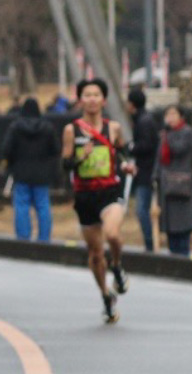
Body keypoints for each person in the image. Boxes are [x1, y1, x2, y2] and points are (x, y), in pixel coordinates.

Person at [62, 78, 135, 324]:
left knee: (112, 234)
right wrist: (82, 157)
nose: (92, 99)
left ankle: (117, 266)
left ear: (103, 100)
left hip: (109, 191)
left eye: (96, 95)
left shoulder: (112, 128)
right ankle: (106, 296)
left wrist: (127, 165)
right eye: (87, 94)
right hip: (85, 196)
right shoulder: (71, 130)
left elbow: (123, 152)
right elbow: (65, 164)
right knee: (94, 255)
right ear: (81, 99)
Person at [1, 98, 60, 242]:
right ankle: (44, 238)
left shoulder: (15, 127)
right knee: (43, 205)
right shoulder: (48, 127)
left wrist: (11, 163)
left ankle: (23, 237)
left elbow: (6, 149)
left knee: (21, 205)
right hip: (42, 173)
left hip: (21, 172)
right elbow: (56, 149)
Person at [153, 106, 192, 257]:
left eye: (173, 114)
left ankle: (183, 255)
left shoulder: (187, 133)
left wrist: (167, 136)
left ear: (181, 116)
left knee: (183, 224)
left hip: (183, 185)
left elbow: (179, 149)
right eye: (167, 114)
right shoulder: (165, 135)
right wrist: (155, 176)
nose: (169, 117)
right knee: (169, 225)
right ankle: (173, 255)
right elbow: (159, 159)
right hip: (166, 185)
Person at [126, 89, 160, 252]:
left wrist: (132, 147)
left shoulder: (143, 121)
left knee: (142, 209)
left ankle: (150, 244)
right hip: (145, 170)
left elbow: (147, 145)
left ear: (132, 104)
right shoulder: (144, 119)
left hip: (146, 171)